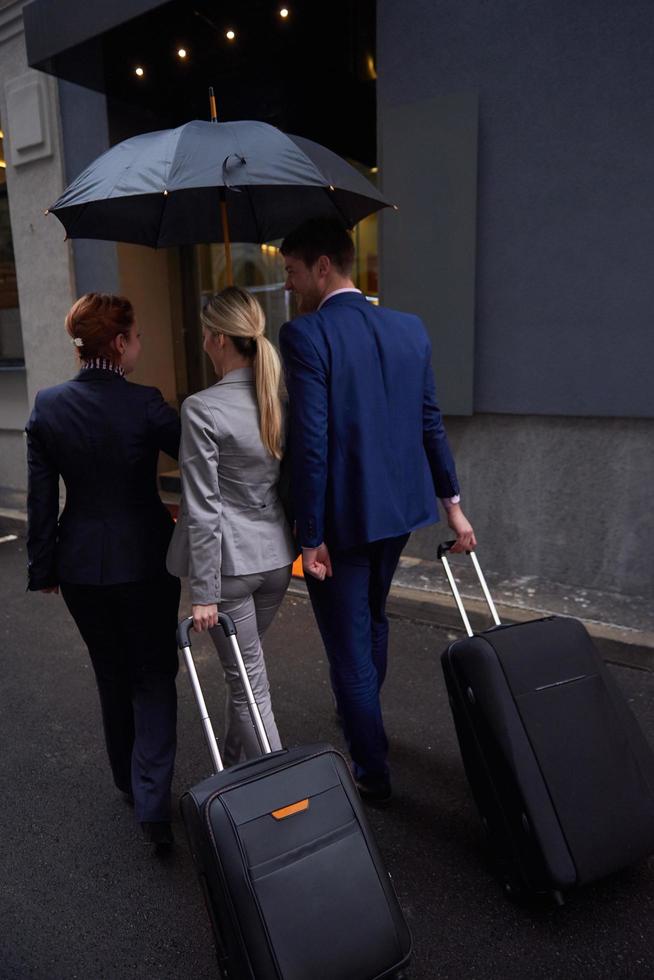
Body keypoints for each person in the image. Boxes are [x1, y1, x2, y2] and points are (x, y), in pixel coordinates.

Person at [279, 217, 477, 805]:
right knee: (373, 619)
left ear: (321, 267)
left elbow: (310, 440)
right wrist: (453, 507)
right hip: (399, 513)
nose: (288, 285)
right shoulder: (408, 329)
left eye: (291, 272)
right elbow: (429, 422)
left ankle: (371, 768)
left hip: (339, 522)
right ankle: (361, 714)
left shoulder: (305, 335)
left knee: (347, 644)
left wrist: (309, 533)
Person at [26, 293, 182, 848]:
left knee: (111, 672)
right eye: (136, 337)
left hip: (81, 567)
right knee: (154, 673)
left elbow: (41, 500)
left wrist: (43, 566)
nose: (138, 344)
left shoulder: (47, 406)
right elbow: (198, 450)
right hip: (145, 563)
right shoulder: (145, 403)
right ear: (119, 344)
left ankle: (128, 779)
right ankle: (153, 802)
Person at [167, 286, 296, 766]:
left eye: (205, 334)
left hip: (230, 574)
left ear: (221, 339)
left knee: (247, 686)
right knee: (244, 673)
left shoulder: (202, 408)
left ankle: (280, 792)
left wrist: (203, 593)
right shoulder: (275, 397)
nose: (203, 342)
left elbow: (201, 507)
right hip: (278, 560)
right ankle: (238, 765)